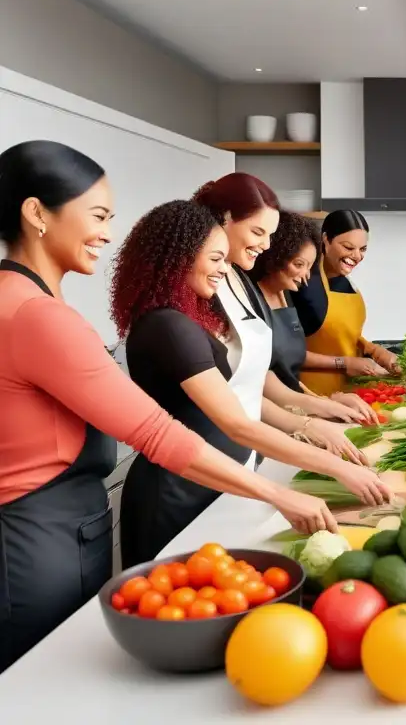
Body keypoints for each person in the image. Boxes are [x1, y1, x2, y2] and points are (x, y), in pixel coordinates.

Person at [0, 141, 335, 673]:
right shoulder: (34, 314)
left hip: (57, 523)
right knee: (48, 683)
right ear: (37, 213)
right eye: (99, 215)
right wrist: (278, 491)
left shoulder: (25, 301)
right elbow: (155, 431)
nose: (108, 232)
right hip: (38, 533)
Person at [110, 198, 393, 569]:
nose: (221, 271)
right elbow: (238, 422)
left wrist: (318, 425)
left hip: (214, 480)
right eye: (214, 260)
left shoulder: (186, 317)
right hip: (175, 494)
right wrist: (334, 466)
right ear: (178, 256)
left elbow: (246, 400)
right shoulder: (168, 326)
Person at [194, 175, 375, 422]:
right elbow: (237, 392)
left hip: (268, 426)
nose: (266, 245)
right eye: (258, 232)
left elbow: (262, 378)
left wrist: (321, 405)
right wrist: (307, 421)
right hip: (249, 431)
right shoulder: (208, 298)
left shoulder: (246, 286)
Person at [291, 209, 402, 396]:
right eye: (349, 248)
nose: (357, 256)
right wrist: (344, 363)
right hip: (309, 392)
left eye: (363, 249)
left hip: (346, 393)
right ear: (326, 240)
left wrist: (374, 351)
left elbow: (344, 335)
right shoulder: (303, 283)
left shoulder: (347, 283)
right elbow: (284, 352)